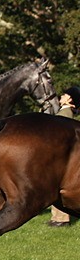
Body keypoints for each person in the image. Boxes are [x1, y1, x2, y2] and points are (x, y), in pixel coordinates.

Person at [48, 86, 79, 227]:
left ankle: (60, 219)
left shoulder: (65, 113)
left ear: (70, 99)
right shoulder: (64, 111)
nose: (61, 96)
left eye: (65, 94)